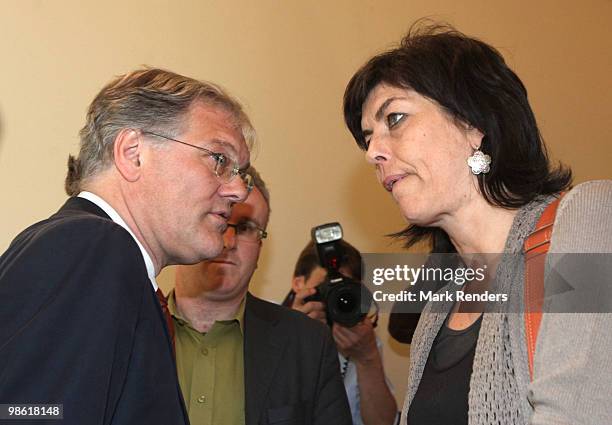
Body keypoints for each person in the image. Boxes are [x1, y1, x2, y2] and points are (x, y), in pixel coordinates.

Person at [342, 22, 612, 425]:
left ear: (473, 126)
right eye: (368, 138)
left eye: (395, 119)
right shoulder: (436, 310)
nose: (373, 153)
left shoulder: (587, 218)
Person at [0, 68, 254, 425]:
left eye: (239, 172)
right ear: (133, 152)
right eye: (219, 160)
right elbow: (27, 417)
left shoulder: (88, 251)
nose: (239, 191)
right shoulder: (95, 247)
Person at [170, 166, 352, 425]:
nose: (229, 240)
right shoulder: (127, 328)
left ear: (259, 251)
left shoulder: (308, 344)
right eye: (218, 218)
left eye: (245, 228)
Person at [283, 240, 398, 425]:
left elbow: (384, 423)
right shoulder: (265, 325)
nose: (334, 298)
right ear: (298, 283)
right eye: (326, 288)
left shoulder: (360, 338)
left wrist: (367, 358)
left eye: (343, 289)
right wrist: (291, 335)